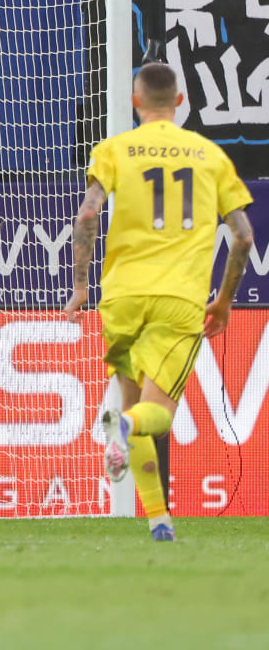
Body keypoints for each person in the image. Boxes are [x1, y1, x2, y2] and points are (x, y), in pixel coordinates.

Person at [64, 62, 253, 543]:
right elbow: (244, 236)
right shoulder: (210, 155)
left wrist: (81, 287)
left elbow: (87, 215)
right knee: (155, 415)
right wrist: (224, 300)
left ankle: (158, 520)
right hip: (177, 298)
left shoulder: (114, 149)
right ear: (180, 102)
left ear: (135, 101)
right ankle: (122, 427)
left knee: (133, 408)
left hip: (122, 297)